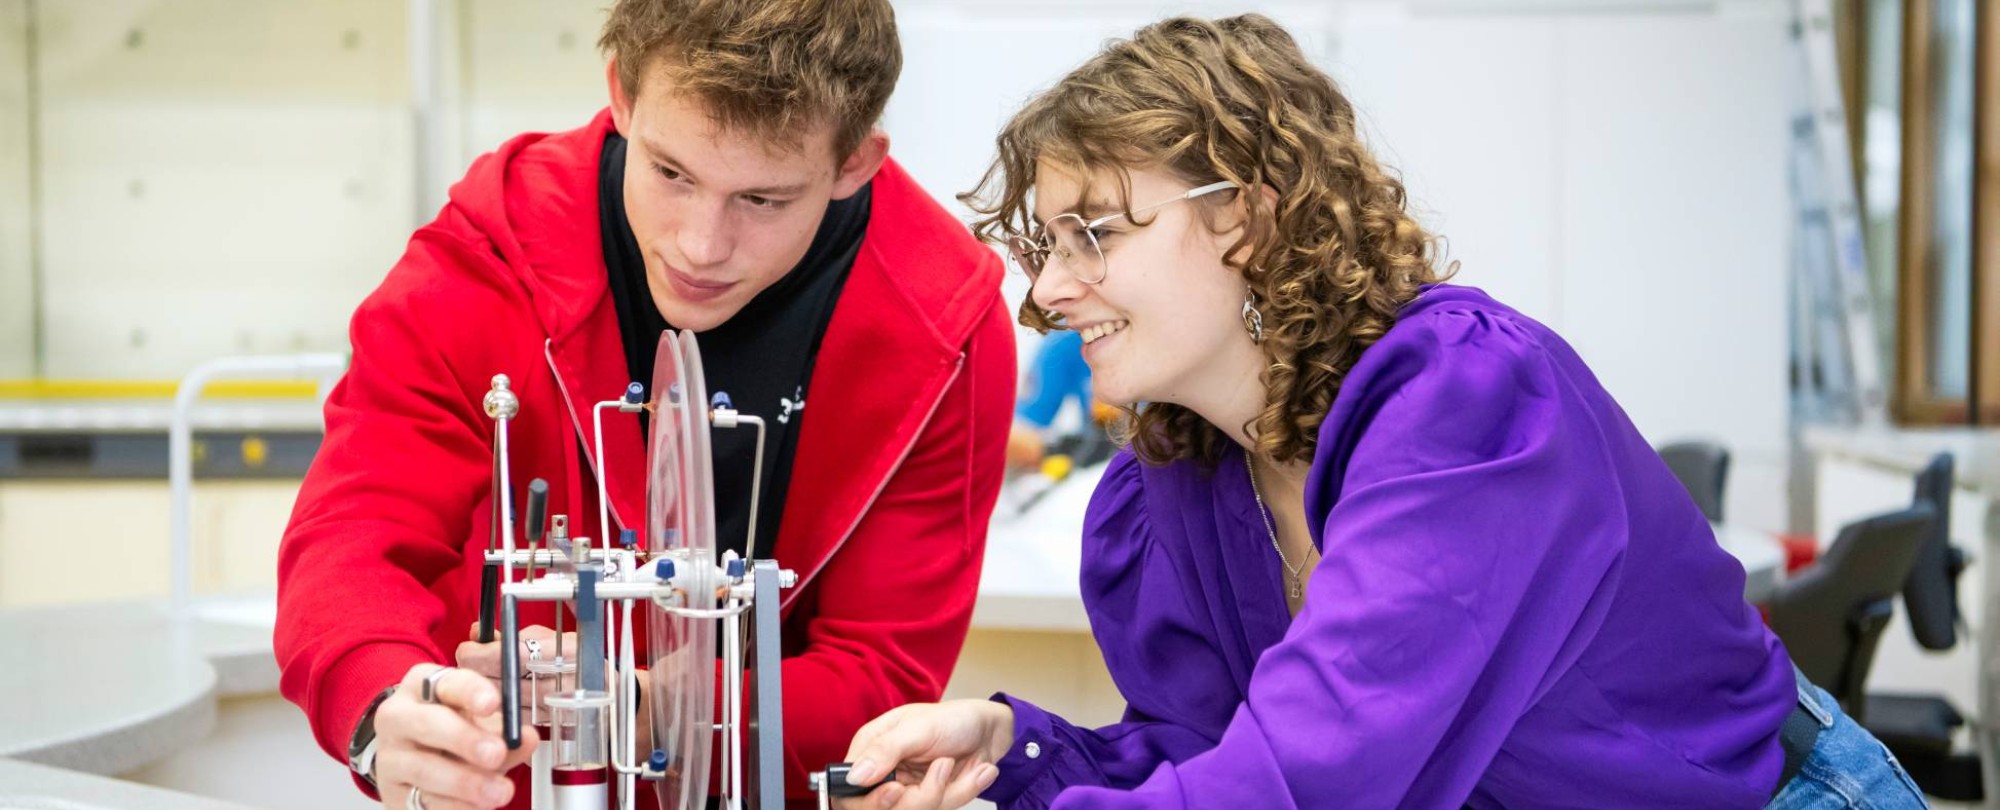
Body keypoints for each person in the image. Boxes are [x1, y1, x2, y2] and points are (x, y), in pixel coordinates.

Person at [832, 14, 1928, 810]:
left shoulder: (1467, 408)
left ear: (1247, 218)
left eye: (1095, 236)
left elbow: (1311, 782)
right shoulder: (1173, 480)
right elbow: (1208, 757)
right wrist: (1014, 751)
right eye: (1049, 246)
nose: (1048, 293)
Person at [273, 1, 1015, 808]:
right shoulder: (489, 252)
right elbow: (354, 532)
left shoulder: (947, 329)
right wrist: (382, 704)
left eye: (762, 200)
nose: (701, 245)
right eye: (671, 173)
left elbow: (880, 673)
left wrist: (655, 708)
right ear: (622, 94)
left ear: (854, 164)